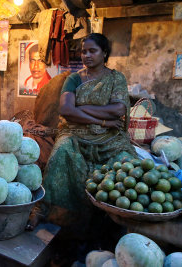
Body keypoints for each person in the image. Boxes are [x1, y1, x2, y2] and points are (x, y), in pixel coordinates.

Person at [28, 33, 136, 241]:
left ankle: (115, 223)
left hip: (109, 137)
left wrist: (83, 107)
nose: (86, 55)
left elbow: (118, 109)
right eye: (83, 51)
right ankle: (44, 211)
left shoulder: (115, 79)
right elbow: (66, 110)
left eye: (92, 51)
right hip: (75, 132)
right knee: (60, 152)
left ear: (104, 53)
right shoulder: (74, 79)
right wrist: (101, 119)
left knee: (126, 164)